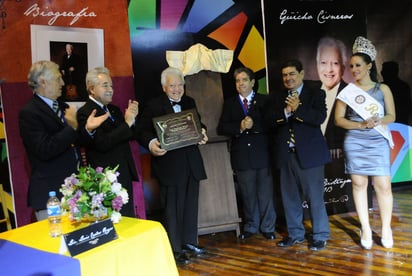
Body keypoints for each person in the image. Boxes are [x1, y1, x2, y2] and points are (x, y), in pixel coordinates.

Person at [19, 60, 109, 221]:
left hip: (75, 191)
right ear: (42, 81)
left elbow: (76, 143)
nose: (62, 83)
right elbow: (44, 149)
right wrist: (72, 128)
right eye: (57, 78)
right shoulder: (29, 112)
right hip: (51, 194)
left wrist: (88, 129)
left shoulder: (63, 106)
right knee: (56, 244)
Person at [136, 67, 208, 265]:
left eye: (180, 85)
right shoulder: (153, 105)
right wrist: (151, 143)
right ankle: (174, 249)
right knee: (172, 209)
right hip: (169, 165)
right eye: (172, 85)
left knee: (191, 205)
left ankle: (189, 242)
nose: (177, 89)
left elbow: (199, 124)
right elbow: (141, 131)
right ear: (164, 87)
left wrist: (203, 132)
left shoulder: (189, 101)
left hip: (191, 163)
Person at [335, 36, 396, 249]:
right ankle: (366, 228)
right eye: (351, 66)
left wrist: (379, 120)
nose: (354, 69)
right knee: (359, 185)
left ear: (369, 65)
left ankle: (386, 228)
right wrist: (360, 126)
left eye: (358, 65)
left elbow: (392, 116)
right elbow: (338, 120)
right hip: (355, 140)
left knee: (383, 186)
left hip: (377, 140)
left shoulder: (383, 89)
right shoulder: (347, 92)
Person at [267, 59, 331, 251]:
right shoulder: (277, 97)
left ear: (302, 74)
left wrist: (298, 109)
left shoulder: (316, 93)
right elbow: (270, 121)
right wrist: (286, 111)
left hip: (310, 156)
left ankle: (320, 235)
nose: (288, 78)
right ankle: (296, 234)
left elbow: (319, 118)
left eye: (292, 74)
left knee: (315, 198)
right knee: (290, 198)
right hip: (286, 155)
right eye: (285, 75)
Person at [217, 67, 276, 240]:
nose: (241, 83)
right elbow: (222, 127)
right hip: (241, 156)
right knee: (247, 193)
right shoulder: (229, 103)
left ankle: (268, 227)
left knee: (265, 193)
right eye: (237, 81)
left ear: (252, 82)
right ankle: (251, 226)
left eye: (244, 80)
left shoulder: (265, 100)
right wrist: (240, 127)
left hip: (262, 154)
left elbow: (273, 124)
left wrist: (254, 126)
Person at [76, 67, 139, 218]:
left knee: (128, 220)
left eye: (111, 85)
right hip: (105, 180)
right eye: (105, 85)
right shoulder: (86, 112)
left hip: (123, 174)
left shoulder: (114, 109)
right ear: (91, 89)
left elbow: (129, 135)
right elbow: (102, 143)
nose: (110, 89)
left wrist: (132, 120)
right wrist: (126, 124)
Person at [316, 36, 348, 159]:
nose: (329, 69)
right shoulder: (309, 91)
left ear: (343, 67)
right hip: (313, 155)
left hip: (339, 156)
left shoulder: (351, 93)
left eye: (335, 63)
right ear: (317, 65)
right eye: (323, 63)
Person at [381, 61, 411, 125]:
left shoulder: (403, 87)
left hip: (398, 122)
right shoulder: (404, 86)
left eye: (384, 70)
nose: (382, 72)